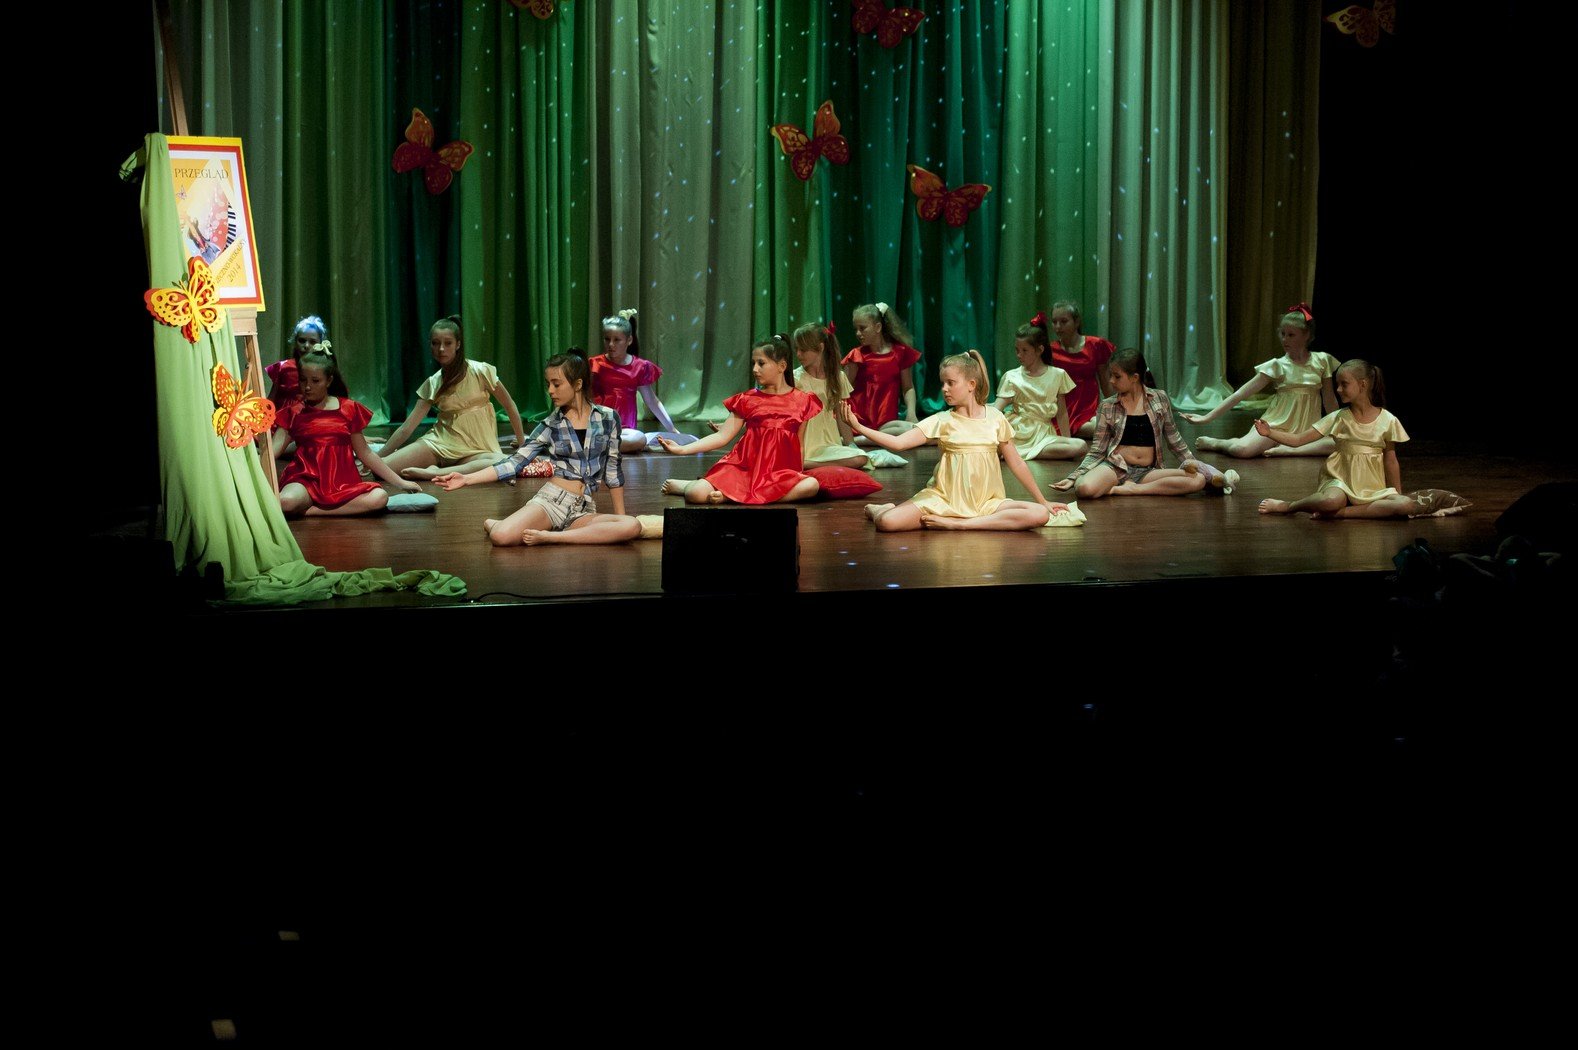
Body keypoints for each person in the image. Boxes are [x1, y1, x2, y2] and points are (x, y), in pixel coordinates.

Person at [433, 350, 642, 545]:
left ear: (578, 384)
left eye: (556, 384)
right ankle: (497, 524)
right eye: (548, 384)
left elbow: (613, 471)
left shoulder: (608, 418)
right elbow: (514, 463)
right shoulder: (550, 425)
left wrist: (620, 520)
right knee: (500, 536)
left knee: (631, 525)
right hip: (551, 502)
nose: (550, 391)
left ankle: (553, 537)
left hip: (584, 509)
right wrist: (466, 479)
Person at [841, 350, 1065, 531]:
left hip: (987, 503)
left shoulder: (996, 418)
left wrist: (1043, 500)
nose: (944, 389)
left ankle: (962, 524)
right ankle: (882, 509)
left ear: (971, 384)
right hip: (944, 500)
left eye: (950, 383)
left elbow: (1017, 463)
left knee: (1039, 513)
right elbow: (899, 443)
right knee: (887, 522)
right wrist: (859, 427)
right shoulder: (942, 420)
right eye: (943, 383)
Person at [1053, 348, 1239, 499]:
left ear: (1134, 377)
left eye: (1117, 376)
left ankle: (1132, 490)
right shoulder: (1108, 406)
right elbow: (1097, 450)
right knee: (1084, 488)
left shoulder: (1159, 399)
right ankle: (1120, 485)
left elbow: (1174, 440)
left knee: (1197, 480)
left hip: (1147, 472)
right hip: (1115, 468)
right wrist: (1075, 476)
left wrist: (1194, 463)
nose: (1111, 381)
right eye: (1111, 375)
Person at [657, 334, 821, 505]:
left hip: (778, 474)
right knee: (695, 494)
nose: (755, 369)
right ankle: (689, 486)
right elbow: (722, 436)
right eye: (753, 363)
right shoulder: (747, 399)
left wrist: (797, 474)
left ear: (782, 366)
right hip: (745, 469)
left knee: (811, 486)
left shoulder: (803, 401)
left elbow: (799, 444)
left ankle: (730, 496)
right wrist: (682, 449)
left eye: (761, 363)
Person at [1256, 359, 1418, 519]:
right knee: (1330, 501)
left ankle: (1339, 514)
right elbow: (1298, 440)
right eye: (1337, 385)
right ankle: (1289, 506)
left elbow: (1390, 460)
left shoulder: (1388, 420)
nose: (1339, 389)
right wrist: (1269, 432)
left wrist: (1397, 494)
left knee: (1405, 505)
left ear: (1362, 384)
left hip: (1372, 487)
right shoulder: (1339, 417)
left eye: (1344, 384)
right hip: (1340, 482)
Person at [271, 350, 421, 516]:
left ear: (329, 381)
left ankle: (310, 511)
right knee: (285, 501)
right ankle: (309, 505)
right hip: (305, 479)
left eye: (315, 381)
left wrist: (400, 482)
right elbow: (271, 452)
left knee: (379, 498)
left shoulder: (348, 409)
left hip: (342, 482)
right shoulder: (293, 413)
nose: (307, 386)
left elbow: (365, 453)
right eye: (302, 380)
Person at [375, 315, 525, 480]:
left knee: (502, 461)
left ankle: (436, 472)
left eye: (448, 343)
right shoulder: (433, 383)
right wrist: (374, 459)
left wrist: (523, 446)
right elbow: (406, 428)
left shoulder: (481, 371)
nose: (441, 349)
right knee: (380, 469)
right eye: (435, 343)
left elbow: (509, 405)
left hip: (476, 450)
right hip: (438, 445)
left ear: (458, 344)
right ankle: (445, 468)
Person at [1184, 303, 1339, 458]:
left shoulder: (1322, 360)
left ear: (1306, 335)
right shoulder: (1277, 365)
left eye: (1291, 335)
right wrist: (1206, 417)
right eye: (1283, 334)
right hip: (1277, 425)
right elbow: (1240, 394)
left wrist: (1339, 426)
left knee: (1340, 444)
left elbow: (1329, 399)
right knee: (1241, 450)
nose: (1284, 339)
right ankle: (1218, 443)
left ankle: (1291, 450)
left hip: (1308, 429)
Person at [591, 309, 698, 453]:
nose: (611, 344)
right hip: (599, 427)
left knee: (641, 438)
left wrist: (672, 429)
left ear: (629, 340)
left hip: (625, 431)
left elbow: (652, 401)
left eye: (616, 340)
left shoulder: (639, 367)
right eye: (607, 339)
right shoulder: (595, 365)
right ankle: (599, 443)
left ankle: (602, 445)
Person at [993, 310, 1088, 462]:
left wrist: (1067, 440)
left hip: (1044, 434)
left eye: (1024, 351)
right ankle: (1015, 450)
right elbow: (996, 409)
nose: (1019, 355)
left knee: (1080, 446)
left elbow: (1062, 412)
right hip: (1019, 432)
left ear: (1039, 350)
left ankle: (1018, 453)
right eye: (1017, 350)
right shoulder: (1012, 377)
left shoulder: (1057, 375)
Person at [791, 321, 866, 468]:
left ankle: (805, 464)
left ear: (820, 347)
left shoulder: (838, 377)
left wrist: (851, 444)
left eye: (803, 350)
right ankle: (801, 461)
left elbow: (842, 417)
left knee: (860, 458)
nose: (798, 354)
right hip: (803, 443)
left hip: (829, 444)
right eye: (797, 349)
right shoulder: (795, 378)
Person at [843, 301, 921, 435]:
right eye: (856, 329)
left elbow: (908, 387)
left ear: (878, 327)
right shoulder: (856, 356)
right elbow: (842, 391)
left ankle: (868, 438)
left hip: (886, 421)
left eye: (862, 328)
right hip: (859, 420)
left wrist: (911, 413)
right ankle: (860, 437)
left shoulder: (900, 353)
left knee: (914, 429)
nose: (858, 333)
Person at [1047, 299, 1118, 438]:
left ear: (1077, 322)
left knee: (1111, 426)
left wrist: (1116, 410)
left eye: (1063, 321)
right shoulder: (1050, 350)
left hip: (1088, 410)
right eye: (1054, 322)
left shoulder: (1095, 345)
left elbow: (1105, 383)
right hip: (1062, 411)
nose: (1058, 327)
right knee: (1102, 430)